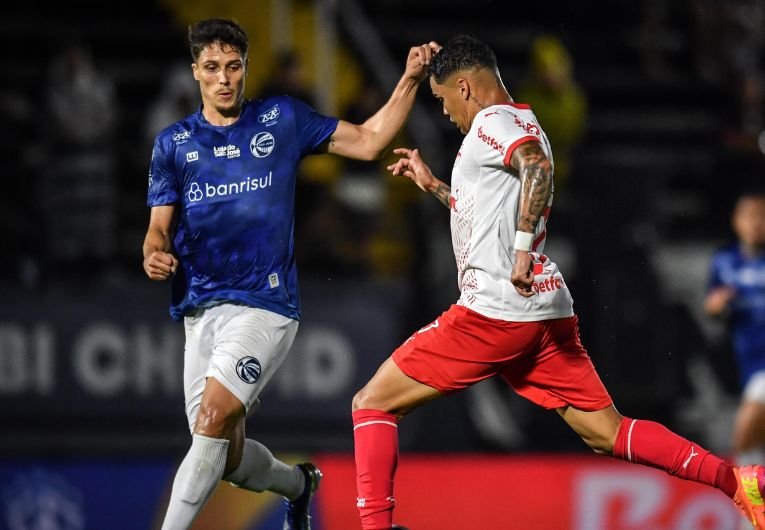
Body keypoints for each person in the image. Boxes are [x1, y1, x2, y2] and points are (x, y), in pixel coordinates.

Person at [350, 34, 765, 530]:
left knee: (371, 403)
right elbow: (489, 218)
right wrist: (435, 185)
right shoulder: (520, 119)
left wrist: (523, 251)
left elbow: (537, 167)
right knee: (608, 433)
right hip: (543, 310)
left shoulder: (492, 124)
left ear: (465, 87)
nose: (443, 112)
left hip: (494, 311)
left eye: (441, 100)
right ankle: (737, 483)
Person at [142, 18, 439, 530]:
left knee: (212, 422)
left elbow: (368, 141)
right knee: (222, 456)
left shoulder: (280, 120)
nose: (224, 78)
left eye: (233, 66)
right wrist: (153, 254)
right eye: (212, 68)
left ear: (245, 68)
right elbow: (156, 232)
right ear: (196, 73)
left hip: (265, 304)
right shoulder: (173, 145)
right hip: (199, 311)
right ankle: (299, 485)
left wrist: (409, 79)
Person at [705, 192, 765, 477]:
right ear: (736, 222)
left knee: (744, 437)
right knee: (753, 445)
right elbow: (711, 305)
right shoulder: (725, 261)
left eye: (762, 217)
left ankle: (749, 518)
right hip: (747, 364)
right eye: (750, 217)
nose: (757, 224)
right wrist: (716, 305)